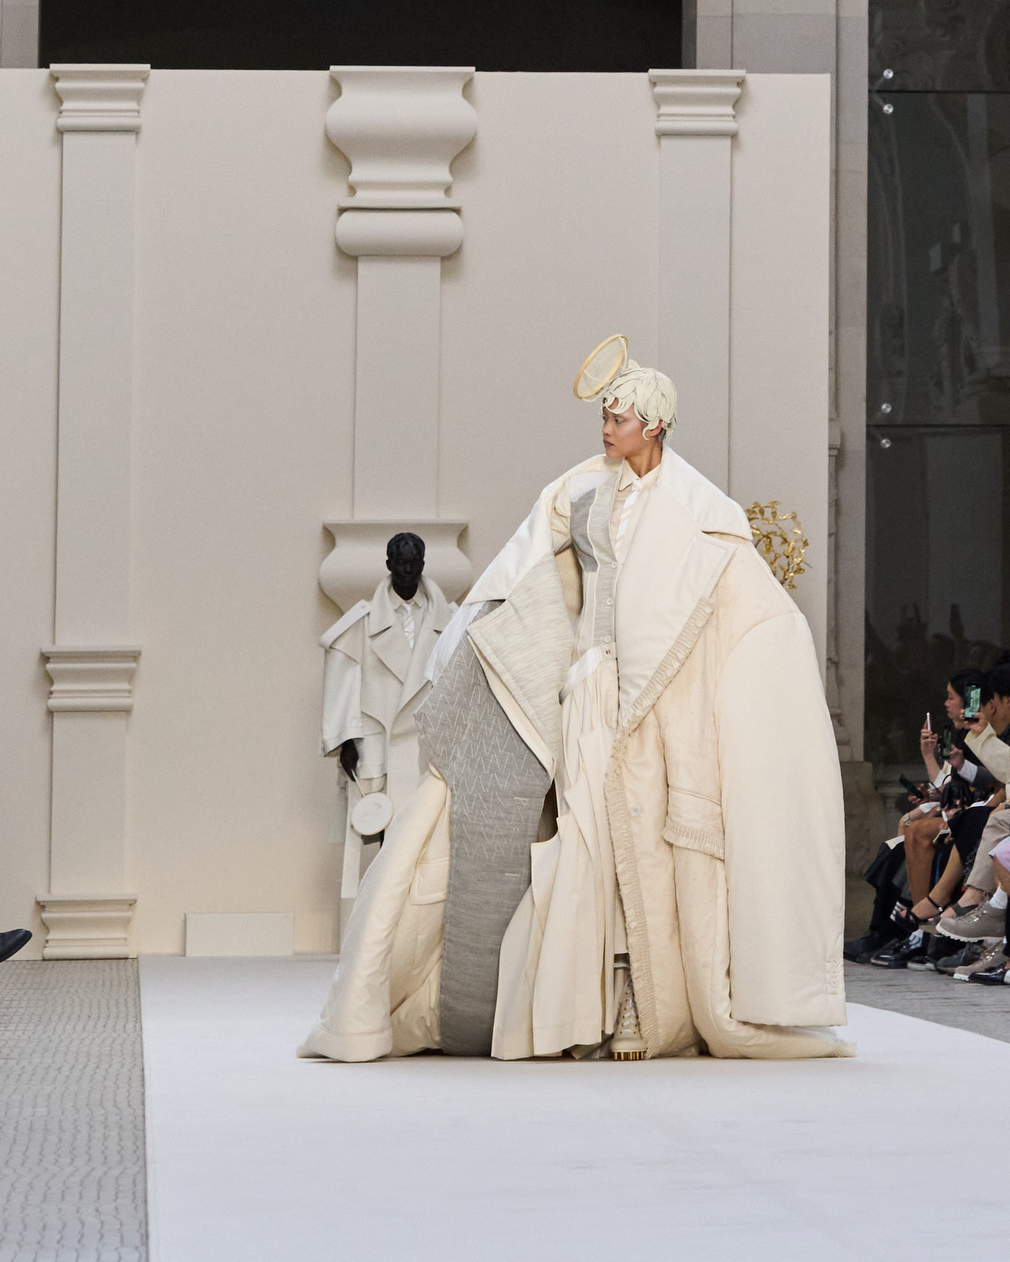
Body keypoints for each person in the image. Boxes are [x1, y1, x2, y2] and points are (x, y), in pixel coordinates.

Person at [301, 348, 846, 1062]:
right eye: (603, 414)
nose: (604, 427)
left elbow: (741, 604)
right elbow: (519, 569)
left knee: (643, 848)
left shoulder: (700, 513)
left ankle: (636, 1009)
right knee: (584, 840)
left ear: (653, 426)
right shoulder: (580, 490)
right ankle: (582, 1008)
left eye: (616, 417)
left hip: (657, 702)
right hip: (585, 690)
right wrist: (466, 654)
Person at [321, 531, 454, 920]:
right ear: (389, 564)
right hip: (379, 740)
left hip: (429, 744)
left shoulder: (451, 618)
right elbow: (344, 676)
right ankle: (382, 913)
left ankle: (419, 915)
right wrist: (344, 737)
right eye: (401, 562)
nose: (408, 570)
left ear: (423, 565)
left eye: (414, 563)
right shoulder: (362, 622)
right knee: (383, 828)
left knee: (429, 831)